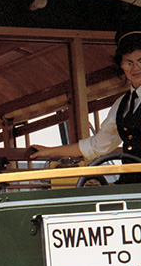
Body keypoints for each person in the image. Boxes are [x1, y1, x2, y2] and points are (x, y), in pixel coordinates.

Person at [30, 20, 141, 183]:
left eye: (140, 61)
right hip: (130, 185)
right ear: (121, 66)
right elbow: (97, 145)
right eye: (129, 63)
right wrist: (49, 151)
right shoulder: (121, 105)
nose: (135, 68)